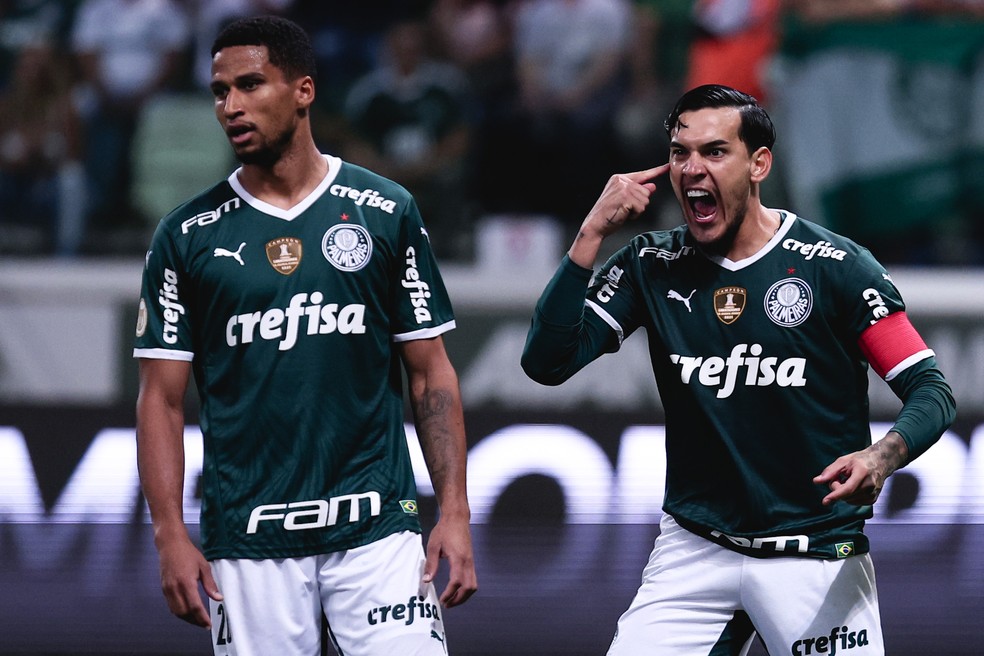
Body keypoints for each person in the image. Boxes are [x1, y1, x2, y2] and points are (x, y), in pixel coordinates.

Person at [521, 84, 955, 654]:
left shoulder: (837, 267)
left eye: (715, 151)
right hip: (696, 546)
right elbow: (547, 363)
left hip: (813, 550)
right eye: (680, 153)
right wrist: (591, 235)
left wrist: (882, 455)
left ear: (759, 164)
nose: (692, 168)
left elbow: (931, 389)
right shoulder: (652, 264)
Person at [133, 15, 477, 655]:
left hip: (378, 527)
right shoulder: (185, 236)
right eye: (219, 91)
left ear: (303, 91)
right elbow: (161, 398)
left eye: (250, 84)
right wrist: (168, 534)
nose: (230, 106)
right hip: (248, 538)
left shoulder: (385, 210)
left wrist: (453, 513)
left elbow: (430, 372)